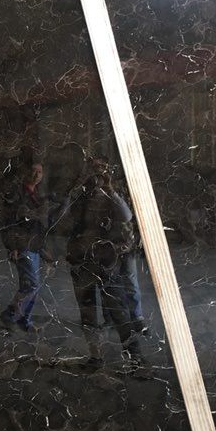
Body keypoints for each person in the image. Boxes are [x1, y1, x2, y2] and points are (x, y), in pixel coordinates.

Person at [66, 158, 149, 372]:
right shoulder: (81, 196)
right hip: (82, 260)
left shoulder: (112, 196)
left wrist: (109, 189)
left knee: (118, 310)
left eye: (100, 171)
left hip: (106, 262)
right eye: (92, 170)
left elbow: (126, 218)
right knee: (87, 313)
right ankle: (96, 356)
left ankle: (136, 358)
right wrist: (78, 186)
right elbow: (66, 218)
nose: (96, 176)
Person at [0, 162, 50, 333]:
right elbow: (8, 222)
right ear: (26, 172)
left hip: (34, 245)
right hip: (21, 245)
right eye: (33, 171)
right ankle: (9, 315)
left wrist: (43, 249)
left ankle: (24, 320)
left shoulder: (37, 194)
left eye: (40, 172)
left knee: (29, 286)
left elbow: (40, 224)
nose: (36, 175)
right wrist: (12, 246)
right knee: (32, 285)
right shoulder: (17, 193)